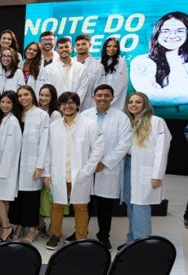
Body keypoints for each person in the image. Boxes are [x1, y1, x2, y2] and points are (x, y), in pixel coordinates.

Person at [43, 91, 104, 250]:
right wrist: (47, 174)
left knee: (81, 207)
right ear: (59, 106)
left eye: (71, 103)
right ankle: (55, 235)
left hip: (80, 174)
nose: (67, 106)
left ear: (77, 105)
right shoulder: (53, 126)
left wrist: (87, 170)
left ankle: (81, 237)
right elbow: (48, 151)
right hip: (59, 173)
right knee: (57, 205)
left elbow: (98, 149)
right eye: (64, 103)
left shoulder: (89, 124)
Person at [81, 84, 132, 249]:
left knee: (105, 206)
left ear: (112, 97)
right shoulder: (85, 115)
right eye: (99, 95)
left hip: (108, 168)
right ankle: (80, 232)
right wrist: (89, 163)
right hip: (87, 166)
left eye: (106, 95)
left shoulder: (121, 118)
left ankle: (103, 236)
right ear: (93, 97)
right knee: (84, 203)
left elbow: (124, 144)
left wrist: (105, 162)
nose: (102, 98)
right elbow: (78, 141)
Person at [122, 92, 172, 243]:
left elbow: (162, 149)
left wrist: (157, 175)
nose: (133, 105)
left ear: (145, 104)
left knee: (141, 207)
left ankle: (142, 245)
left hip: (145, 170)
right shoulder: (129, 121)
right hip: (128, 167)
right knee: (130, 206)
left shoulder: (156, 122)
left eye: (138, 102)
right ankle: (132, 241)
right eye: (130, 102)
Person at [11, 85, 50, 243]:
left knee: (31, 197)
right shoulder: (16, 114)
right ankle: (20, 224)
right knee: (17, 196)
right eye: (19, 96)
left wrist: (40, 165)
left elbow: (44, 142)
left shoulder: (41, 115)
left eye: (26, 94)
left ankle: (33, 227)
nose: (23, 98)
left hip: (32, 162)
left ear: (32, 96)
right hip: (16, 162)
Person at [130, 11, 188, 106]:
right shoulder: (142, 61)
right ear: (157, 33)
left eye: (180, 31)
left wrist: (161, 91)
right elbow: (149, 97)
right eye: (166, 31)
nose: (172, 36)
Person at [0, 91, 22, 242]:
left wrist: (3, 170)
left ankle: (6, 227)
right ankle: (4, 226)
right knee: (3, 199)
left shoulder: (13, 122)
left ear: (14, 104)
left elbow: (11, 148)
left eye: (8, 102)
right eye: (2, 102)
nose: (4, 105)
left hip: (5, 168)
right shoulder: (3, 119)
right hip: (0, 166)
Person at [73, 34, 105, 111]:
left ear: (90, 45)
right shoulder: (70, 63)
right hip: (70, 104)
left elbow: (99, 89)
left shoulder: (97, 66)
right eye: (78, 45)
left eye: (84, 44)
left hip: (89, 106)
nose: (80, 47)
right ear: (75, 47)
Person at [97, 37, 129, 111]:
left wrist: (109, 99)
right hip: (100, 101)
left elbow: (121, 84)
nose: (112, 48)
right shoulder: (99, 62)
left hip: (115, 101)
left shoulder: (121, 62)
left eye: (115, 46)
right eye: (109, 46)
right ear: (105, 48)